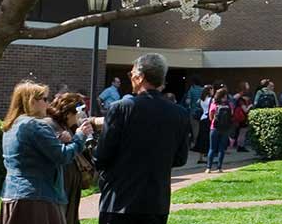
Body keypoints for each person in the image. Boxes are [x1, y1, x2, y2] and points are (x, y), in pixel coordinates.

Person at [95, 53, 193, 224]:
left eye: (131, 74)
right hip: (156, 202)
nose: (131, 78)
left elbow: (102, 157)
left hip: (119, 200)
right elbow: (180, 158)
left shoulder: (121, 108)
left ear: (140, 77)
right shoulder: (180, 113)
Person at [0, 81, 93, 224]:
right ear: (32, 101)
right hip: (36, 198)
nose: (48, 104)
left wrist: (56, 141)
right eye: (44, 99)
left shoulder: (11, 126)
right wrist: (80, 137)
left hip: (12, 195)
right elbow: (63, 156)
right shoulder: (35, 125)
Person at [47, 92, 97, 224]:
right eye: (78, 113)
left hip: (70, 184)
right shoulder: (50, 125)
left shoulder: (68, 126)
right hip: (60, 184)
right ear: (68, 113)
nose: (79, 118)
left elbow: (81, 149)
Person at [203, 87, 232, 172]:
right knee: (221, 148)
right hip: (225, 129)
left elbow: (210, 117)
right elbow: (231, 115)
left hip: (214, 128)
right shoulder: (228, 105)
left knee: (212, 148)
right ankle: (219, 167)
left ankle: (208, 167)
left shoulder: (214, 104)